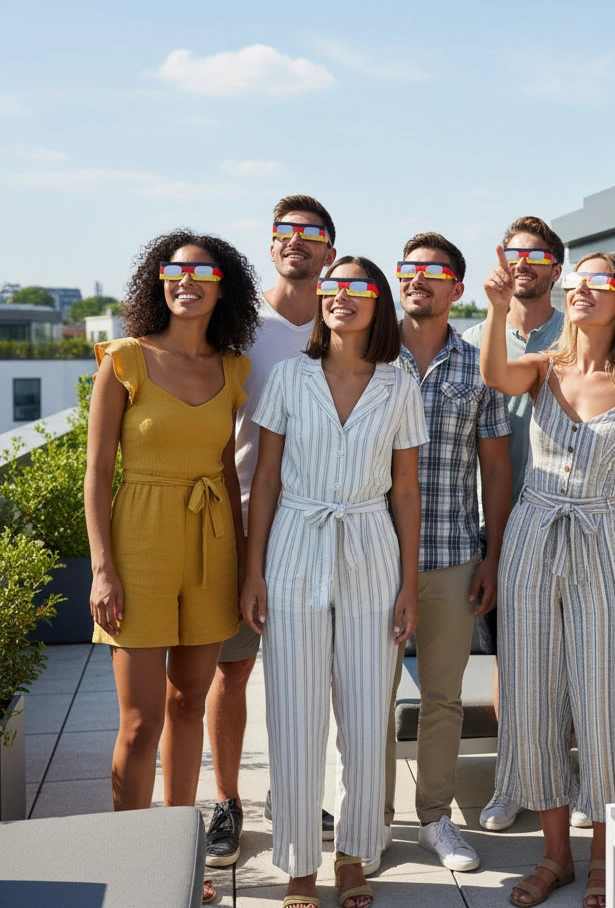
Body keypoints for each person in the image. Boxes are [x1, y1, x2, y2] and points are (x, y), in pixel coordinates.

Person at [481, 249, 615, 908]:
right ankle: (554, 854)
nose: (583, 290)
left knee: (603, 701)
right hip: (531, 537)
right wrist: (500, 307)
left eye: (599, 283)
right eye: (578, 281)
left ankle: (599, 856)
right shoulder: (542, 369)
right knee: (531, 695)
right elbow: (495, 373)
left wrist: (598, 512)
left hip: (600, 539)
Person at [241, 255, 425, 908]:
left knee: (366, 714)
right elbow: (264, 478)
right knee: (293, 713)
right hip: (294, 545)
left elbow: (406, 488)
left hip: (372, 548)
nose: (342, 296)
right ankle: (297, 865)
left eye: (358, 287)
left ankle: (354, 855)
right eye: (333, 286)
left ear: (379, 303)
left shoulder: (400, 383)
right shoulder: (289, 376)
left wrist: (409, 583)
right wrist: (253, 569)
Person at [85, 234, 259, 828]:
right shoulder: (125, 359)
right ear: (158, 281)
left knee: (189, 703)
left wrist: (243, 569)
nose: (186, 281)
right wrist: (102, 569)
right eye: (174, 270)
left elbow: (226, 474)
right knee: (140, 720)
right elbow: (99, 471)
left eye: (201, 272)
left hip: (210, 544)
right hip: (139, 539)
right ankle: (131, 855)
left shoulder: (234, 367)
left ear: (222, 286)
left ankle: (178, 853)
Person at [204, 195, 337, 874]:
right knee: (233, 669)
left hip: (313, 528)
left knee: (304, 673)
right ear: (272, 246)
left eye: (312, 235)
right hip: (238, 520)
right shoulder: (237, 329)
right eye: (287, 233)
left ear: (330, 254)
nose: (298, 242)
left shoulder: (342, 326)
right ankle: (225, 801)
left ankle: (296, 794)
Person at [385, 232, 512, 873]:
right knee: (367, 695)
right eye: (408, 269)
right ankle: (371, 822)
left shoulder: (477, 365)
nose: (418, 279)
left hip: (453, 554)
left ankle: (435, 817)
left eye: (433, 272)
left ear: (456, 289)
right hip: (373, 559)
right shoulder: (368, 359)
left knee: (442, 697)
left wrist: (491, 556)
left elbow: (496, 469)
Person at [461, 215, 565, 832]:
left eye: (534, 254)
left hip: (570, 522)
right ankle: (512, 779)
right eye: (511, 253)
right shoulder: (476, 337)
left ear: (555, 264)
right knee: (514, 664)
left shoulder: (576, 332)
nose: (521, 262)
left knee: (575, 666)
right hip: (502, 524)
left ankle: (564, 776)